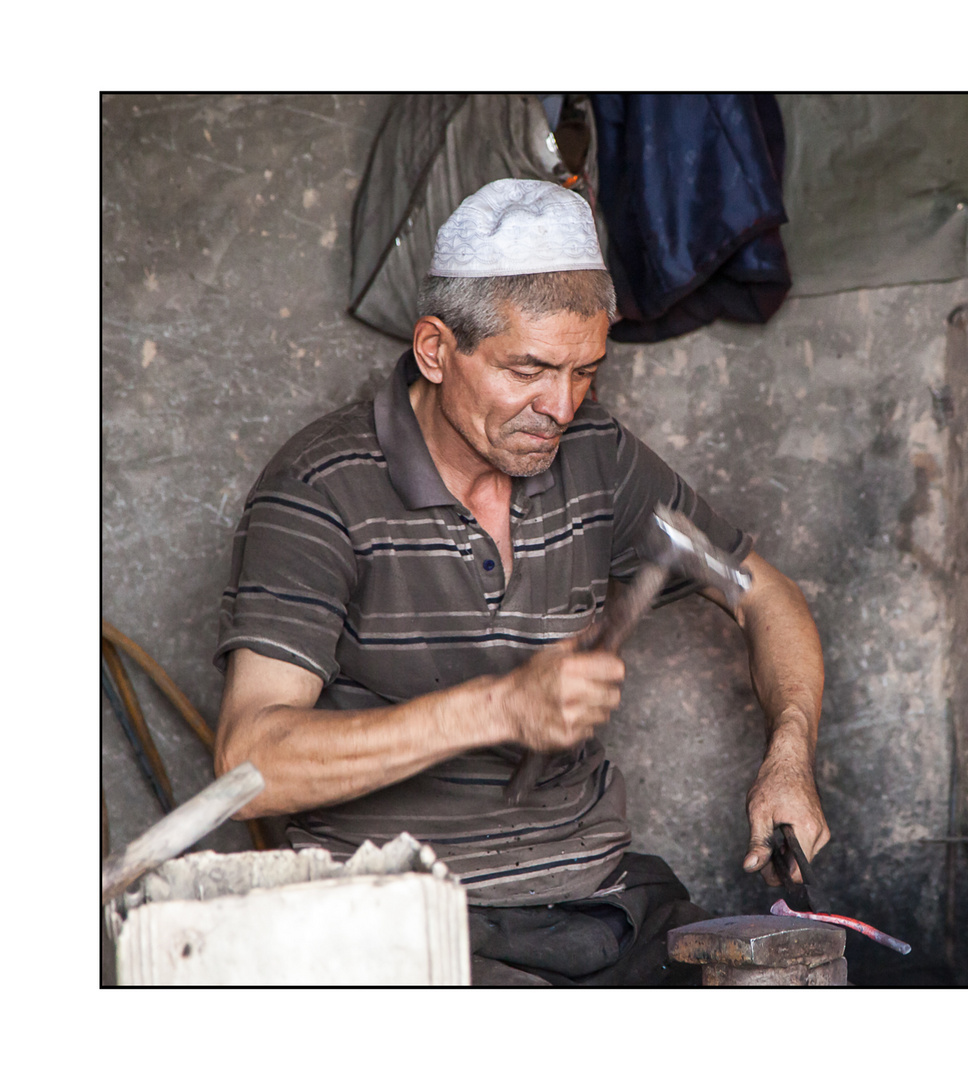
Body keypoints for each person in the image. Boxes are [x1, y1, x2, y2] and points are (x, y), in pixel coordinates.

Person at [212, 179, 828, 986]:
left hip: (598, 903)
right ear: (435, 350)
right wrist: (497, 706)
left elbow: (764, 593)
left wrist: (789, 752)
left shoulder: (596, 454)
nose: (560, 407)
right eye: (528, 370)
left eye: (585, 373)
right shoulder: (319, 488)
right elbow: (249, 764)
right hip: (402, 922)